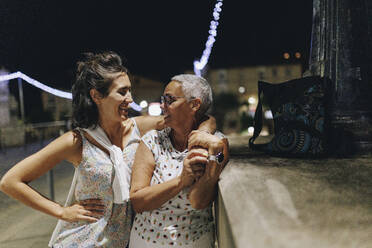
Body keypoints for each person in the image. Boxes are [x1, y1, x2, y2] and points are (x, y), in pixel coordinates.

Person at [0, 52, 216, 247]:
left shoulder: (138, 128)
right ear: (96, 96)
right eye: (122, 92)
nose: (130, 99)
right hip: (80, 241)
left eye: (129, 90)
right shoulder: (77, 140)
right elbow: (10, 182)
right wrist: (62, 211)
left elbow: (194, 117)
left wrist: (204, 134)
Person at [129, 74, 229, 248]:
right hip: (144, 241)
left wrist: (216, 157)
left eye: (169, 100)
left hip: (193, 242)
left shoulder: (215, 143)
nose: (162, 105)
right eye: (163, 99)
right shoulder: (153, 141)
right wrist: (181, 181)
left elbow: (198, 201)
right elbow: (138, 202)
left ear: (194, 104)